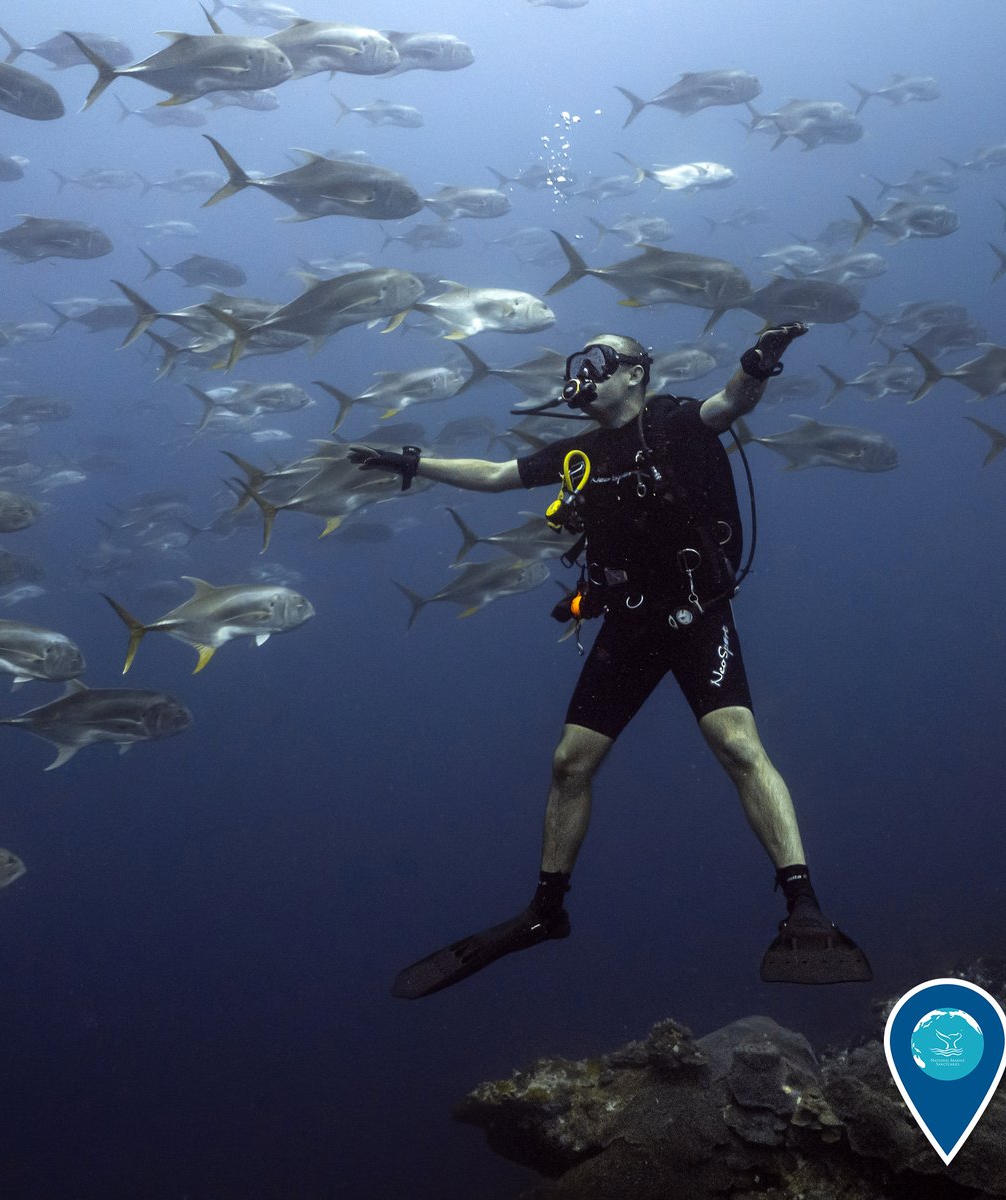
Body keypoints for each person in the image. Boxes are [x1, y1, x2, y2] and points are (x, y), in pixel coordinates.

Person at [348, 325, 872, 998]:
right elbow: (495, 475)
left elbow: (731, 404)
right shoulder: (580, 454)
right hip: (628, 623)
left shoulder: (676, 422)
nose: (583, 371)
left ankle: (803, 903)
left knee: (738, 745)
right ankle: (545, 911)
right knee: (570, 762)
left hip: (693, 614)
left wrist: (757, 363)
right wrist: (412, 462)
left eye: (598, 360)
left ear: (635, 374)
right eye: (579, 361)